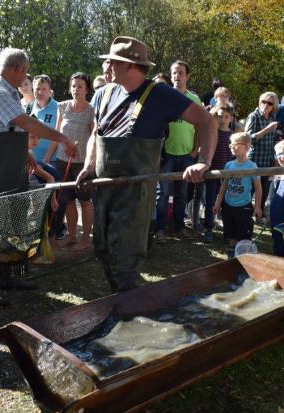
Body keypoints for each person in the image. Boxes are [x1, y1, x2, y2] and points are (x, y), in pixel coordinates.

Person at [74, 36, 217, 292]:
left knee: (124, 256)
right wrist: (89, 165)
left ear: (130, 65)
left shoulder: (160, 94)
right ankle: (120, 301)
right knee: (103, 249)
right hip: (105, 188)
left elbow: (207, 121)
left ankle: (127, 312)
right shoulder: (105, 93)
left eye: (113, 61)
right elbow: (97, 134)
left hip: (136, 192)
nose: (107, 65)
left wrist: (203, 162)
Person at [0, 47, 77, 305]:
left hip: (13, 167)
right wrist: (62, 137)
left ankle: (13, 277)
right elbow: (25, 123)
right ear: (18, 69)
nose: (26, 78)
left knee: (17, 224)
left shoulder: (9, 92)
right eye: (25, 72)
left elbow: (11, 132)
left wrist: (26, 155)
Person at [154, 60, 203, 240]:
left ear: (187, 76)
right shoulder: (163, 97)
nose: (177, 76)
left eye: (181, 73)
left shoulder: (194, 99)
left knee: (182, 194)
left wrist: (195, 149)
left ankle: (178, 228)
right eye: (174, 72)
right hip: (166, 154)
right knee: (163, 194)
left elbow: (200, 126)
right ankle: (160, 229)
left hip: (187, 155)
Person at [47, 72, 95, 250]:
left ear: (87, 89)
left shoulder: (92, 111)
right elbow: (56, 135)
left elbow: (94, 138)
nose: (76, 89)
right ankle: (72, 236)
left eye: (80, 86)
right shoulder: (62, 107)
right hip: (61, 161)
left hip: (82, 164)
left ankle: (85, 240)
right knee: (67, 200)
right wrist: (46, 160)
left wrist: (90, 163)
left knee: (85, 201)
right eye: (73, 86)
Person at [213, 132, 262, 259]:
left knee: (243, 235)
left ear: (246, 147)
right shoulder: (229, 165)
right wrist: (218, 203)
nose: (232, 147)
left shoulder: (252, 166)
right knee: (231, 234)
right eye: (231, 145)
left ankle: (243, 258)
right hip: (228, 206)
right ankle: (231, 257)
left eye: (236, 144)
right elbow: (224, 186)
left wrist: (257, 207)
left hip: (243, 207)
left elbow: (258, 189)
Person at [203, 103, 236, 242]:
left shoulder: (233, 136)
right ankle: (209, 229)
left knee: (226, 204)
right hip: (212, 172)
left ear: (231, 118)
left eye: (226, 117)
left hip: (227, 175)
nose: (223, 119)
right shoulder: (212, 132)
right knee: (210, 202)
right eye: (220, 116)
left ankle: (228, 232)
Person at [245, 91, 280, 212]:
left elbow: (271, 140)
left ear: (274, 106)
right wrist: (267, 129)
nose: (265, 104)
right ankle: (246, 214)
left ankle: (259, 214)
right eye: (263, 101)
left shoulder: (272, 117)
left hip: (267, 160)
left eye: (269, 103)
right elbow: (247, 139)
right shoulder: (253, 116)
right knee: (250, 191)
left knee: (264, 191)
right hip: (254, 160)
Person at [30, 74, 59, 162]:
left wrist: (46, 160)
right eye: (37, 89)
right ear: (33, 90)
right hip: (31, 161)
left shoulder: (59, 108)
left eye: (44, 89)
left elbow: (58, 136)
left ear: (49, 91)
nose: (40, 92)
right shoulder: (27, 108)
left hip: (52, 161)